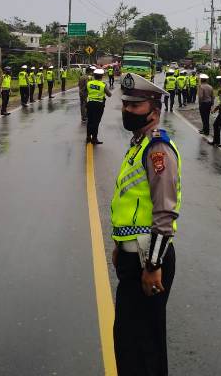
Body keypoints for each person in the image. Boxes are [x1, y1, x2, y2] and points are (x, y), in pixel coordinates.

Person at [111, 72, 181, 375]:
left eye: (135, 105)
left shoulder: (157, 150)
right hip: (132, 256)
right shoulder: (138, 145)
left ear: (154, 109)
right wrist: (118, 247)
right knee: (129, 341)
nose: (128, 110)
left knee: (143, 344)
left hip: (148, 259)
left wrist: (153, 266)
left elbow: (165, 214)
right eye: (126, 104)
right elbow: (130, 204)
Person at [86, 68, 112, 144]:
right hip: (99, 105)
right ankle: (94, 138)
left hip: (90, 103)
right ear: (102, 76)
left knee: (90, 121)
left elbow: (87, 91)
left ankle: (88, 137)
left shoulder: (89, 83)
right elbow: (109, 94)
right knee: (96, 121)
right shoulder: (103, 85)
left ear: (94, 76)